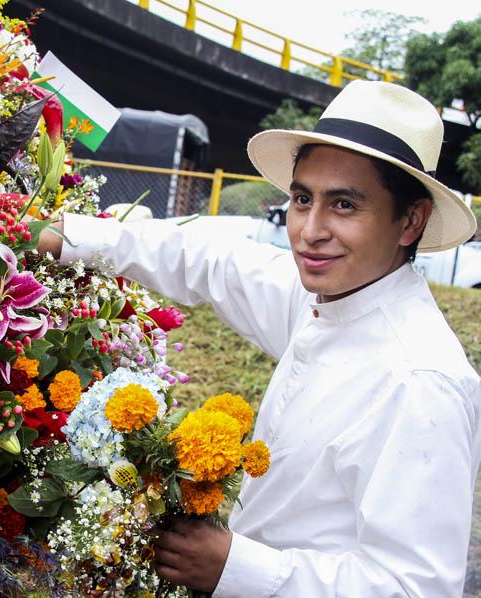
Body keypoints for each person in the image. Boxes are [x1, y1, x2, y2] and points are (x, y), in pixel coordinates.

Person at [37, 80, 481, 596]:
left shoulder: (421, 381)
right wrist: (65, 236)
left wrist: (237, 568)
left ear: (410, 221)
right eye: (301, 198)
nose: (309, 230)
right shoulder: (326, 298)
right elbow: (209, 260)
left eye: (343, 205)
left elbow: (415, 588)